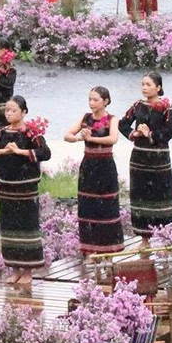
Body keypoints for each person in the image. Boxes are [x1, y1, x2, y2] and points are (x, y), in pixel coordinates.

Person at [0, 96, 50, 282]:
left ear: (24, 112)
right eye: (7, 110)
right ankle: (15, 269)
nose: (9, 113)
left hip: (27, 189)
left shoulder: (32, 133)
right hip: (7, 187)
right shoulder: (0, 133)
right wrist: (3, 151)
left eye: (13, 110)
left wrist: (21, 152)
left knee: (27, 227)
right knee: (10, 227)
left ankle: (28, 271)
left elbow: (45, 153)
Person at [119, 73, 172, 235]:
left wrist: (150, 134)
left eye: (148, 85)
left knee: (161, 196)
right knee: (140, 197)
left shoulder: (167, 108)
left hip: (159, 160)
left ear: (158, 87)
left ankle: (166, 237)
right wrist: (134, 134)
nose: (144, 88)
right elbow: (122, 124)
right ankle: (144, 239)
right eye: (143, 84)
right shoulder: (138, 105)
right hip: (139, 159)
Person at [67, 87, 124, 254]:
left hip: (105, 165)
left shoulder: (112, 119)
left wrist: (91, 138)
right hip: (89, 165)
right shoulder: (85, 118)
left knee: (106, 205)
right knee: (87, 205)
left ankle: (108, 248)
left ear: (105, 101)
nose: (92, 103)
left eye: (95, 100)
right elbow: (67, 135)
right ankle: (89, 249)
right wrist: (79, 137)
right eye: (90, 99)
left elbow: (113, 138)